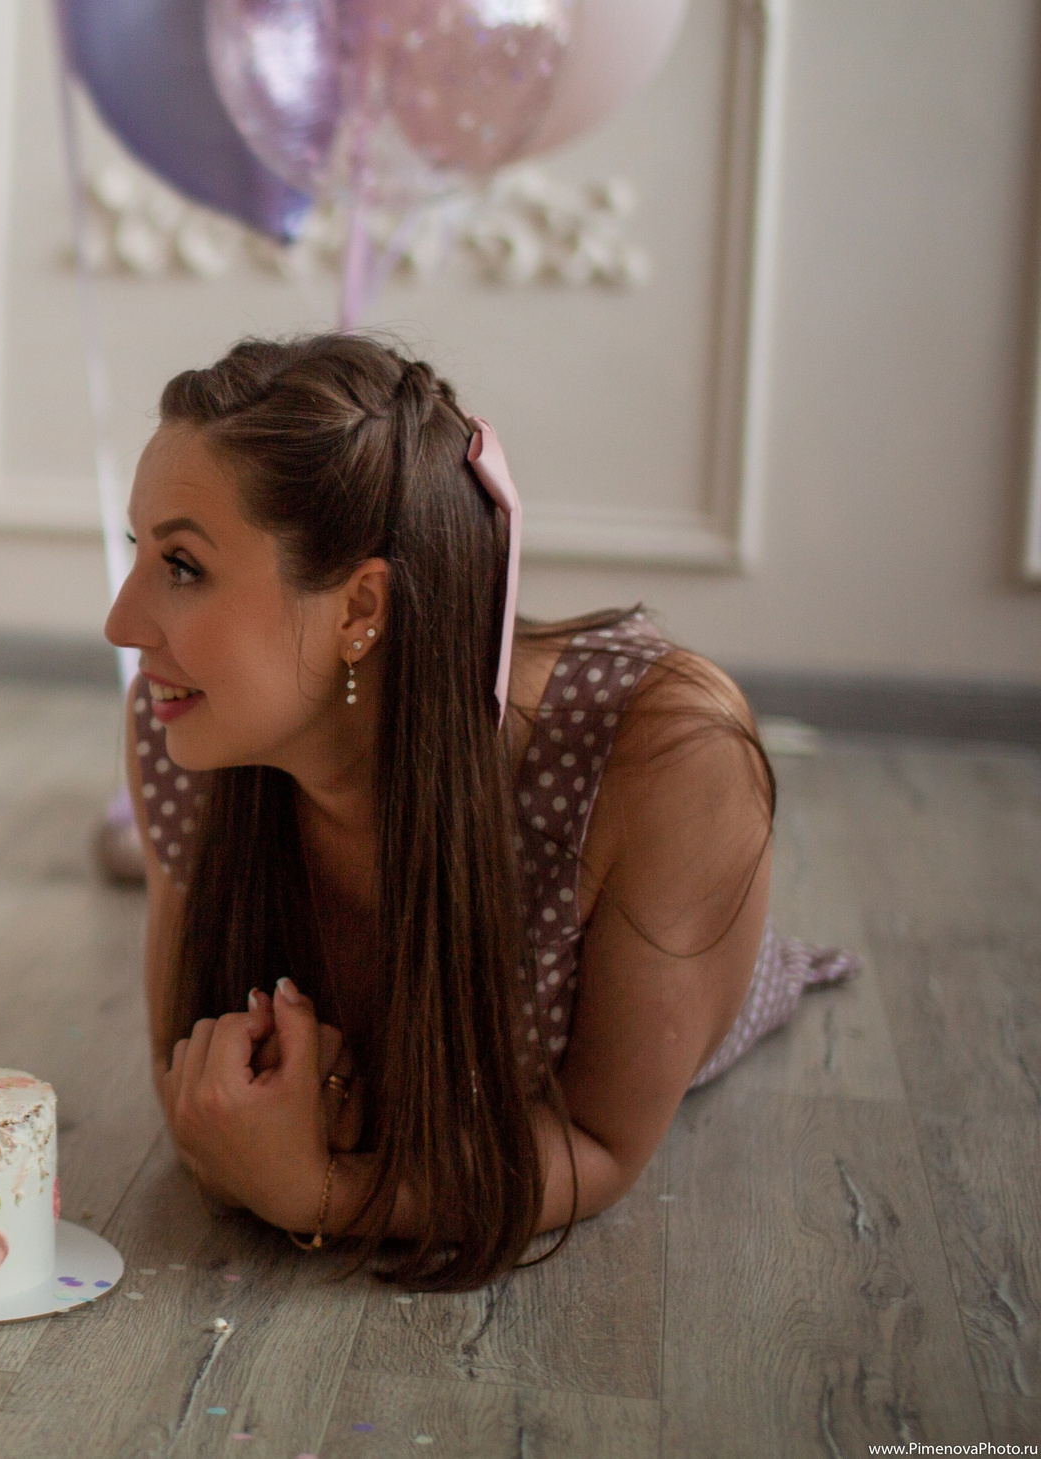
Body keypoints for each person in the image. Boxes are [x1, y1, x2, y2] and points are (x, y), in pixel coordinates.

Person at [105, 334, 853, 1290]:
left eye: (181, 565)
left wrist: (324, 1189)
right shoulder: (184, 737)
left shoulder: (668, 754)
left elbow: (599, 1143)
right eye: (140, 552)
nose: (121, 622)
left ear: (359, 608)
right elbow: (196, 1108)